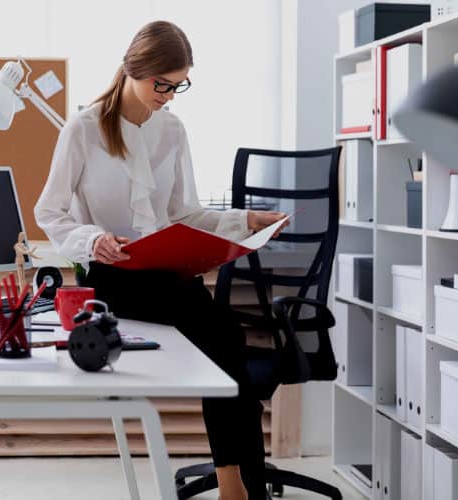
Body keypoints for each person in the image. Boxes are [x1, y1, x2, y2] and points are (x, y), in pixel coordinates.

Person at [35, 20, 288, 500]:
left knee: (226, 346)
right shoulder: (84, 128)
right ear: (135, 70)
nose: (169, 96)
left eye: (179, 86)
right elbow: (49, 212)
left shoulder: (172, 130)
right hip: (115, 276)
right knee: (225, 338)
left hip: (166, 275)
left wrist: (246, 220)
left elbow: (183, 213)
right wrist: (92, 240)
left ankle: (237, 483)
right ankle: (239, 486)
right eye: (163, 85)